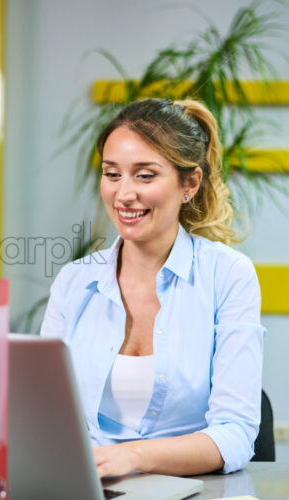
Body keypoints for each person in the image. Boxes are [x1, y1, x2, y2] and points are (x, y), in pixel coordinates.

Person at [40, 98, 266, 477]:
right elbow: (44, 415)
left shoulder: (228, 276)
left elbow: (236, 433)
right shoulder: (75, 281)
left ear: (189, 183)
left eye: (144, 175)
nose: (124, 194)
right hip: (88, 488)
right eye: (112, 174)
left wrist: (133, 457)